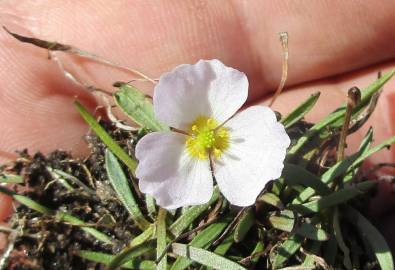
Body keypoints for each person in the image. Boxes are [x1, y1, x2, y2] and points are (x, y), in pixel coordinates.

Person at [0, 1, 395, 248]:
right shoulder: (184, 139)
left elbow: (257, 155)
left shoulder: (221, 134)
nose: (205, 136)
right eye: (200, 133)